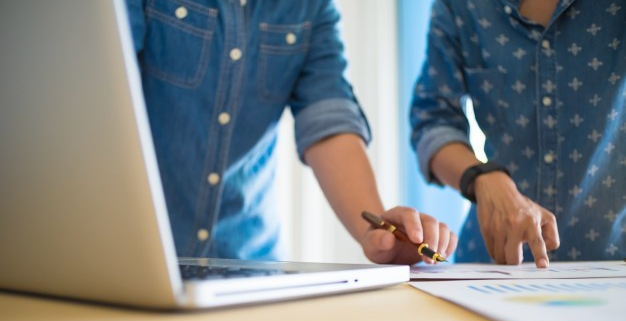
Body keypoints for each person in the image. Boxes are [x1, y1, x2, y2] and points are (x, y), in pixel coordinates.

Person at [125, 0, 457, 264]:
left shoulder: (312, 8)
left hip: (248, 269)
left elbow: (329, 123)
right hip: (131, 257)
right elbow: (101, 94)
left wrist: (374, 231)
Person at [410, 0, 625, 267]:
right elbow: (431, 119)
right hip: (491, 266)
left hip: (613, 266)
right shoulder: (460, 6)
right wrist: (483, 178)